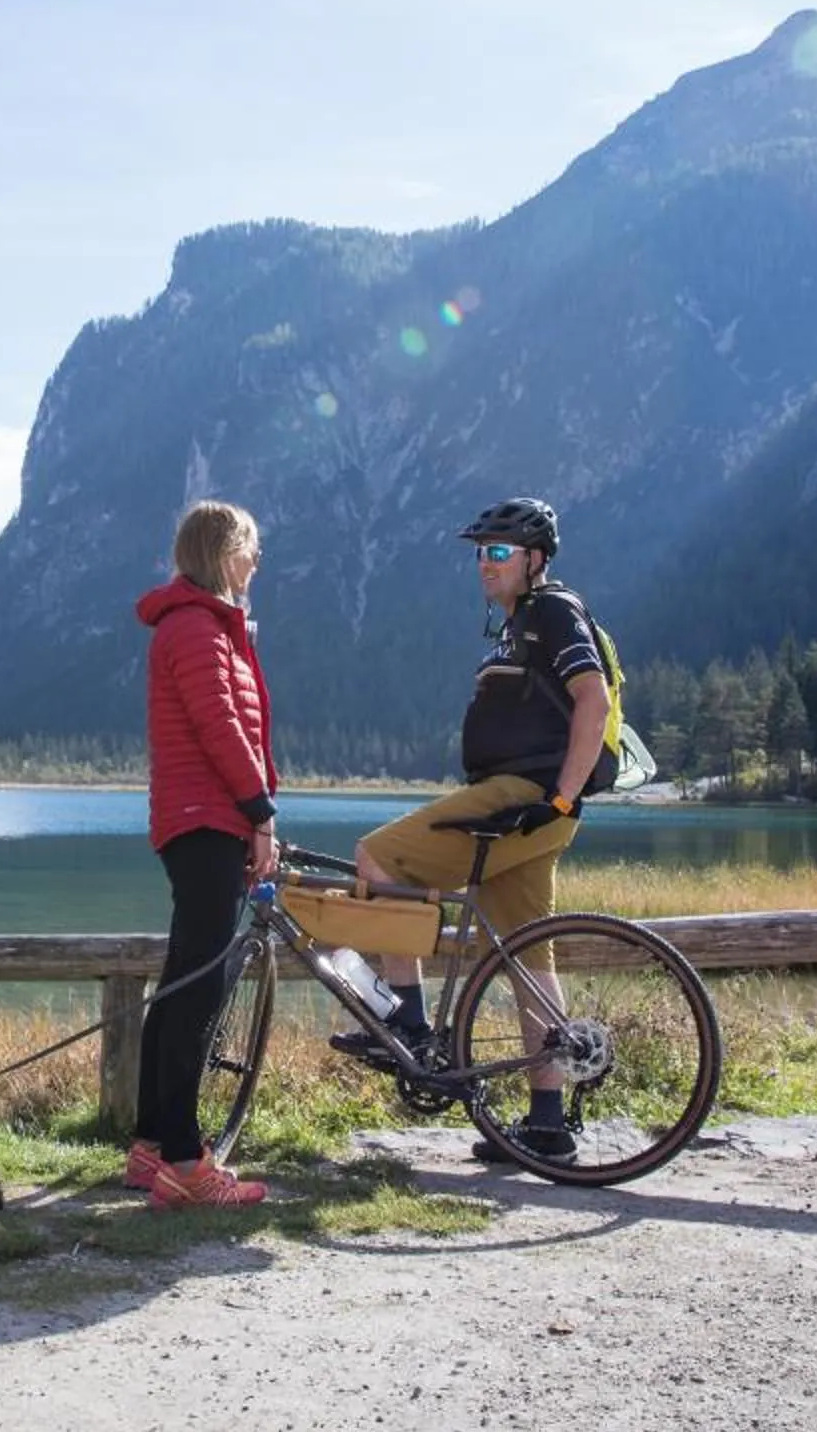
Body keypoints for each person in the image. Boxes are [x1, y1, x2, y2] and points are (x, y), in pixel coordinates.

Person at [328, 496, 611, 1161]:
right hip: (518, 807)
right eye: (480, 552)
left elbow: (592, 700)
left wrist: (564, 799)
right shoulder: (519, 627)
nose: (484, 563)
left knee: (379, 858)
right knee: (526, 956)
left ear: (535, 559)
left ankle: (409, 1022)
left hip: (526, 800)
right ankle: (547, 1124)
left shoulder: (552, 611)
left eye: (499, 551)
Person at [126, 499, 279, 1207]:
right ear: (223, 554)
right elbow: (220, 727)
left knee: (183, 981)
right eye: (250, 549)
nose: (256, 562)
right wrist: (259, 812)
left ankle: (153, 1146)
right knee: (200, 990)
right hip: (206, 821)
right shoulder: (195, 626)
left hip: (202, 820)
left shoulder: (203, 624)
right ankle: (186, 1166)